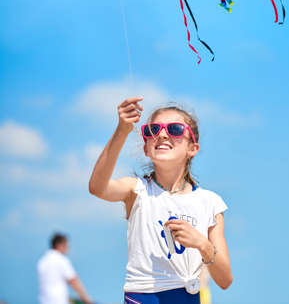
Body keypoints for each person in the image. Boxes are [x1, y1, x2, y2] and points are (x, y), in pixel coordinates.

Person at [89, 97, 233, 304]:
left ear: (193, 148)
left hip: (188, 297)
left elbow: (225, 280)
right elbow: (97, 187)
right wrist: (122, 130)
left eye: (174, 129)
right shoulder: (137, 190)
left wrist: (203, 244)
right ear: (146, 148)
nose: (162, 134)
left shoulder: (210, 203)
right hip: (141, 296)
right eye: (153, 130)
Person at [37, 233, 92, 304]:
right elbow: (74, 281)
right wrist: (86, 299)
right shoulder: (61, 260)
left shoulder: (42, 262)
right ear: (59, 245)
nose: (68, 249)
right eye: (66, 246)